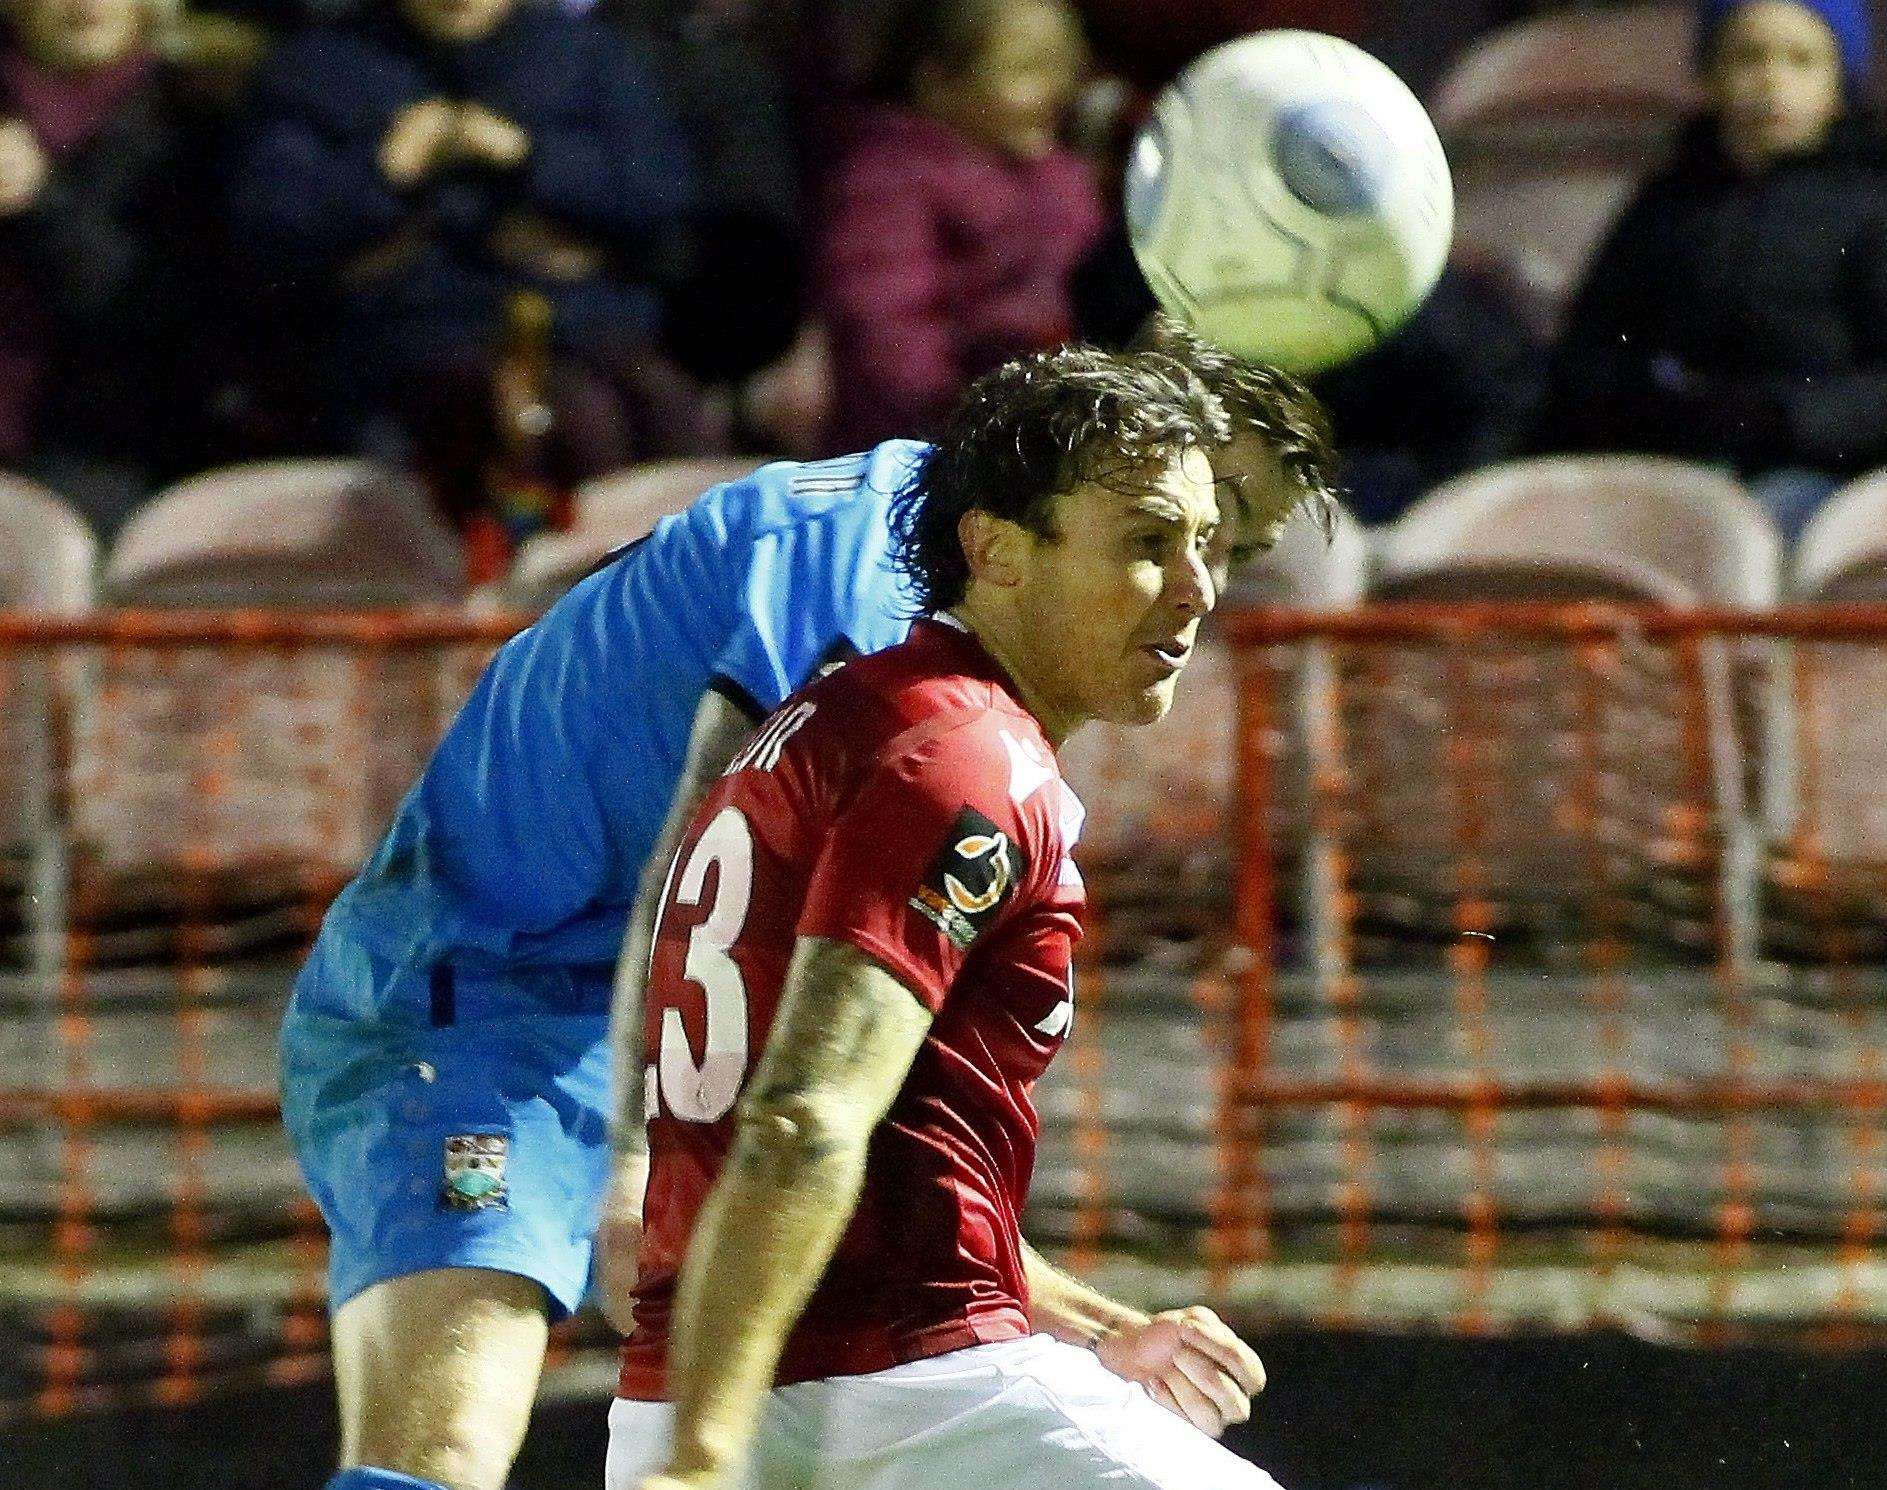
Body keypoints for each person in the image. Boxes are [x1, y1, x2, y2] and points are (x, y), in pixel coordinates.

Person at [280, 337, 1336, 1490]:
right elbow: (704, 873)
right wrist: (638, 1161)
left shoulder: (945, 640)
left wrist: (1076, 1322)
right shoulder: (866, 593)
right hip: (468, 998)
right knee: (439, 1451)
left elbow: (871, 1126)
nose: (1206, 574)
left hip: (669, 1035)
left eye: (1230, 544)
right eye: (1173, 526)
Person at [606, 347, 1280, 1490]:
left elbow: (882, 1154)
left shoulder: (845, 716)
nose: (1196, 585)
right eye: (1147, 541)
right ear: (997, 548)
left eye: (1206, 546)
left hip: (712, 1388)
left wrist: (1087, 1326)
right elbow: (802, 1118)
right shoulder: (964, 759)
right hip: (898, 1404)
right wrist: (707, 1463)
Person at [227, 0, 716, 531]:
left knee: (666, 413)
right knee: (570, 422)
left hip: (586, 322)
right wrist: (388, 168)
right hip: (414, 338)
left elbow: (660, 195)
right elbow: (272, 220)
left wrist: (528, 157)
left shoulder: (586, 55)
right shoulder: (322, 64)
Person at [1530, 0, 1887, 541]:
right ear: (1710, 75)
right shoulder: (1664, 206)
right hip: (1666, 473)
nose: (1772, 81)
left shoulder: (1870, 206)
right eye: (1748, 57)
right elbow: (1587, 360)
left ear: (1842, 82)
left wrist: (1784, 418)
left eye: (1801, 60)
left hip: (1822, 483)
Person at [813, 0, 1104, 451]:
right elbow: (887, 334)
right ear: (940, 83)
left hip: (1049, 428)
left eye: (1064, 70)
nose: (1057, 91)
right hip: (929, 446)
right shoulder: (889, 179)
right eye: (1026, 71)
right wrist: (970, 419)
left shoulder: (1060, 175)